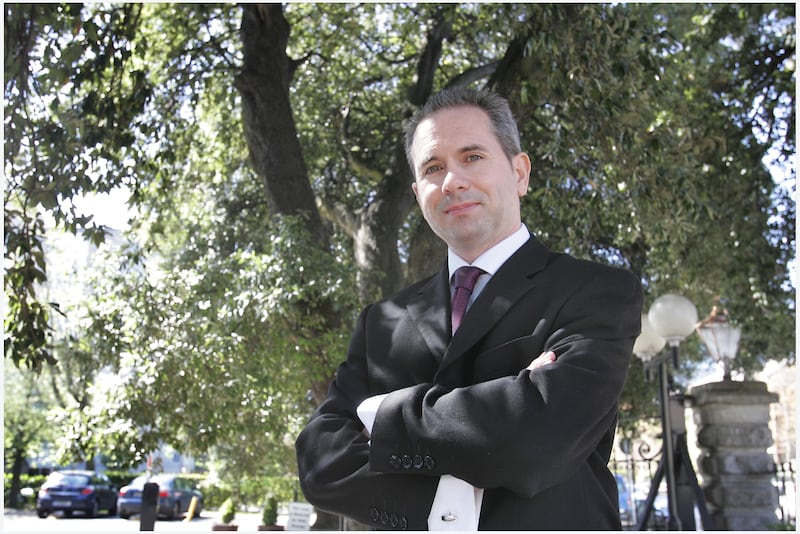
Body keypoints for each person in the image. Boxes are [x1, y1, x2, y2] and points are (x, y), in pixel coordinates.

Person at [295, 86, 643, 530]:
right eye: (433, 167)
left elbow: (539, 439)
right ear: (418, 191)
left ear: (520, 173)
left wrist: (378, 416)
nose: (452, 181)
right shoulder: (380, 323)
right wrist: (505, 411)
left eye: (473, 157)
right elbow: (320, 461)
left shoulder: (597, 291)